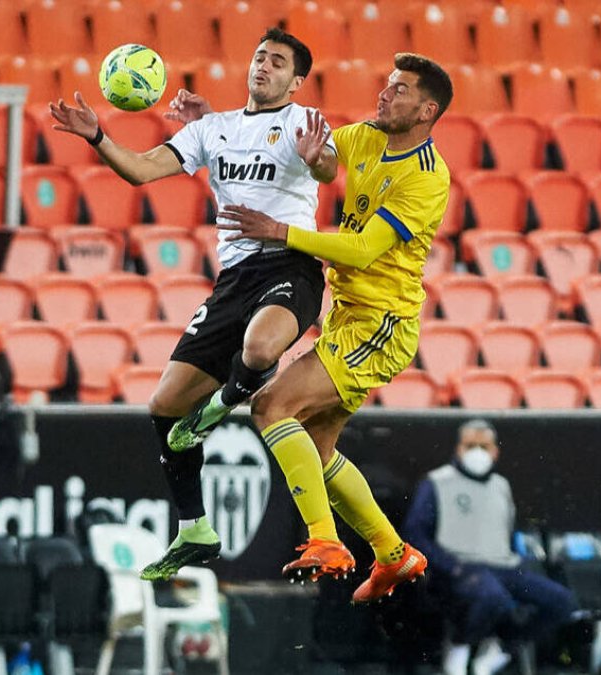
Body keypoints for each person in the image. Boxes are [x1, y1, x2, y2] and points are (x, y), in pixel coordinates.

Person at [49, 27, 336, 581]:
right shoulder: (213, 129)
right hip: (234, 280)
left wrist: (318, 161)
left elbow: (327, 167)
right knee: (162, 404)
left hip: (290, 266)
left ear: (296, 81)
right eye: (259, 57)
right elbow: (140, 170)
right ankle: (194, 528)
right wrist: (97, 136)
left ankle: (221, 404)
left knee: (260, 344)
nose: (264, 66)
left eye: (278, 62)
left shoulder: (304, 123)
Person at [184, 52, 453, 602]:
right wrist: (216, 128)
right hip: (349, 316)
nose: (385, 94)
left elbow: (360, 248)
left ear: (427, 111)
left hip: (380, 323)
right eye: (386, 83)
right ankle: (394, 553)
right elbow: (307, 153)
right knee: (317, 445)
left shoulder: (427, 179)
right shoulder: (368, 136)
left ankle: (325, 540)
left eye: (399, 91)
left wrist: (280, 231)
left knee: (271, 408)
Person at [403, 420, 580, 675]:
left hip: (503, 567)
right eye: (470, 445)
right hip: (457, 569)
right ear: (458, 449)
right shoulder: (437, 482)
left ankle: (503, 647)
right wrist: (449, 566)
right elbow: (415, 533)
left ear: (495, 451)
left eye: (483, 446)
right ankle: (460, 646)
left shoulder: (501, 485)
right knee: (491, 596)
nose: (477, 452)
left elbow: (506, 533)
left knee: (561, 601)